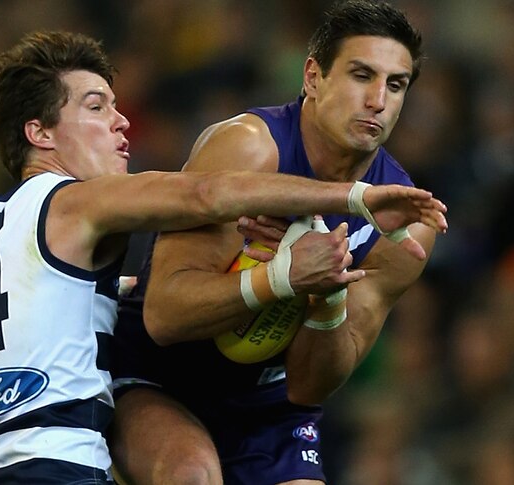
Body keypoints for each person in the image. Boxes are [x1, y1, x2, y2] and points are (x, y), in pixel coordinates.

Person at [0, 30, 446, 484]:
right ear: (40, 134)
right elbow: (204, 195)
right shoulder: (75, 203)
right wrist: (351, 200)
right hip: (63, 463)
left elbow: (45, 312)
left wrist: (119, 292)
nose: (122, 122)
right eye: (97, 108)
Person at [108, 1, 437, 484]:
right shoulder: (248, 149)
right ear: (312, 77)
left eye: (395, 84)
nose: (378, 101)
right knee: (192, 476)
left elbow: (309, 387)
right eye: (361, 75)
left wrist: (329, 296)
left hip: (266, 405)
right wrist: (283, 278)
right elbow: (164, 316)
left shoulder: (404, 228)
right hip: (157, 377)